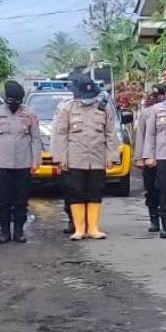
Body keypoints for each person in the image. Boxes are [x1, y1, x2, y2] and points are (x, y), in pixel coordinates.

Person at [53, 74, 119, 241]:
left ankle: (93, 228)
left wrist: (112, 156)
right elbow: (60, 134)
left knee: (95, 192)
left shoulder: (103, 108)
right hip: (75, 158)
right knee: (76, 193)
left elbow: (110, 133)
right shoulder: (66, 108)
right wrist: (60, 158)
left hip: (97, 158)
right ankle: (79, 229)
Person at [0, 80, 42, 244]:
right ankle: (4, 232)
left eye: (16, 102)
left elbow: (36, 139)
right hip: (1, 164)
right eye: (10, 102)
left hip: (23, 164)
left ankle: (19, 231)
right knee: (4, 201)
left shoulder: (29, 113)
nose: (13, 105)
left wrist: (36, 161)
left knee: (21, 200)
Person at [141, 76, 166, 239]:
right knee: (164, 191)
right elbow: (149, 135)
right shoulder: (156, 110)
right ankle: (165, 225)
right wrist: (148, 156)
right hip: (163, 156)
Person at [136, 85, 164, 234]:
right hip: (150, 156)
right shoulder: (146, 113)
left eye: (159, 95)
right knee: (151, 189)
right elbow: (141, 136)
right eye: (155, 96)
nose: (157, 98)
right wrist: (140, 157)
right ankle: (154, 220)